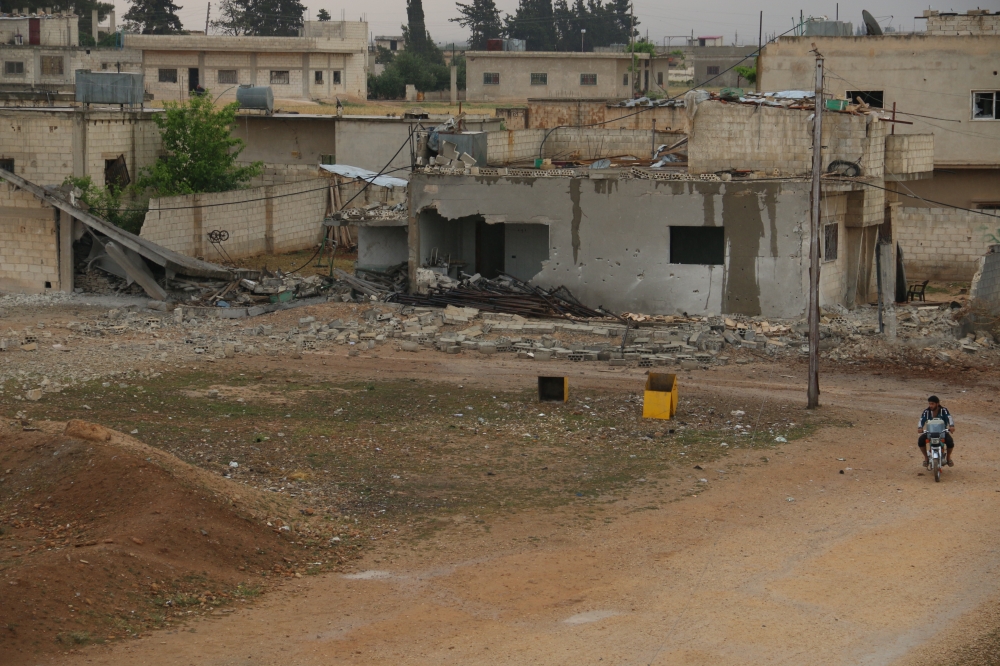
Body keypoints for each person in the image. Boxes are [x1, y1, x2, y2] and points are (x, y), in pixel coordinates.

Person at [918, 395, 955, 467]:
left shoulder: (944, 410)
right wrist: (920, 427)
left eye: (932, 404)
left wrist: (951, 426)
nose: (930, 405)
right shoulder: (926, 411)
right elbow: (921, 419)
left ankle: (948, 457)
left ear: (937, 404)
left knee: (950, 442)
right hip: (930, 432)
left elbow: (949, 418)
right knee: (921, 440)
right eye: (929, 404)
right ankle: (926, 458)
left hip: (942, 432)